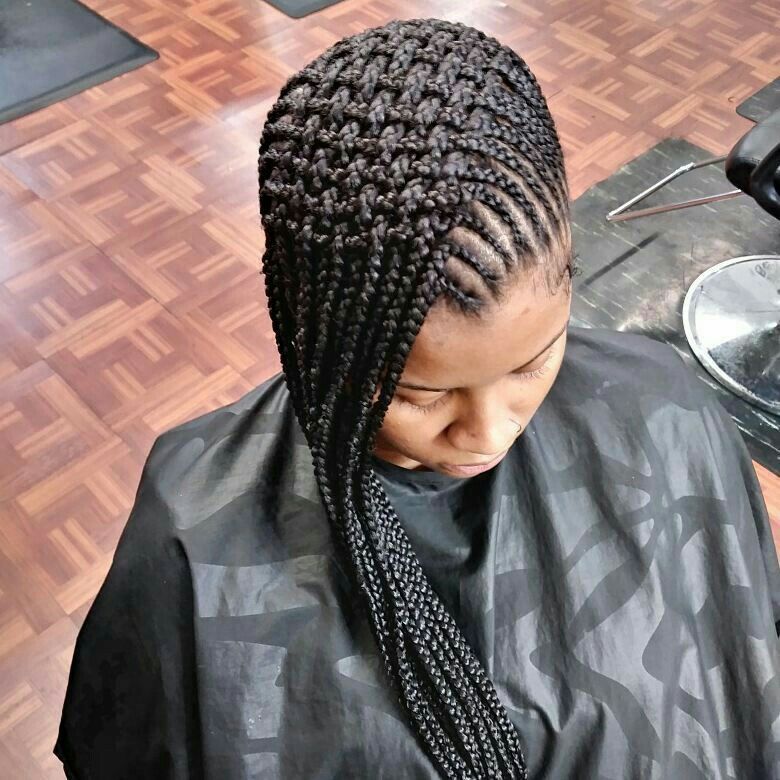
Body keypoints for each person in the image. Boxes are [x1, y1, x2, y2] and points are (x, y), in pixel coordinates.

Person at [53, 17, 780, 780]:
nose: (488, 432)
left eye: (532, 362)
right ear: (311, 333)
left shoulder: (663, 407)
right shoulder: (191, 536)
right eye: (419, 395)